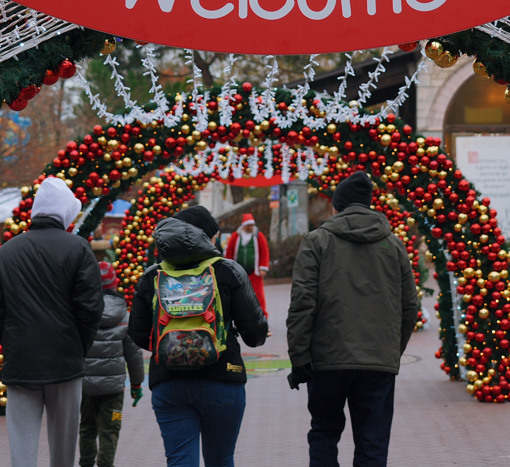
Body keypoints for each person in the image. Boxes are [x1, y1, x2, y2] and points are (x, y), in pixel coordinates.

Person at [285, 171, 419, 467]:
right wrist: (390, 351)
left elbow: (302, 303)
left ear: (337, 206)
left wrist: (299, 357)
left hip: (326, 360)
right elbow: (410, 305)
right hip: (377, 361)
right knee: (372, 442)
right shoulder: (394, 244)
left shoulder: (317, 241)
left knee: (324, 433)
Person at [130, 205, 268, 467]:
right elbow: (254, 334)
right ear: (206, 236)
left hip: (168, 382)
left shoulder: (152, 276)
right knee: (221, 460)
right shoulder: (227, 270)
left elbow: (138, 335)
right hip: (223, 379)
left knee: (180, 461)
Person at [0, 177, 103, 467]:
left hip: (21, 360)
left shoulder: (8, 251)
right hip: (65, 361)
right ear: (64, 213)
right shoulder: (77, 248)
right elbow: (90, 308)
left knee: (21, 451)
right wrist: (78, 345)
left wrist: (11, 339)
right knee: (63, 450)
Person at [79, 261, 144, 467]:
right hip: (114, 389)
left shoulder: (80, 314)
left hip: (85, 386)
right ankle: (106, 464)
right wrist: (136, 385)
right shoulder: (125, 316)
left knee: (87, 427)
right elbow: (134, 354)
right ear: (114, 285)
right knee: (111, 427)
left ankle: (86, 463)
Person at [223, 214, 270, 314]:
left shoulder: (258, 236)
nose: (250, 227)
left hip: (254, 272)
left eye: (252, 225)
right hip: (239, 272)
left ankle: (262, 316)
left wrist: (263, 268)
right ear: (243, 225)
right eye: (248, 225)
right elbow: (229, 252)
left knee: (258, 295)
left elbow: (264, 251)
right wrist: (228, 268)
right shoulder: (235, 236)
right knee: (239, 294)